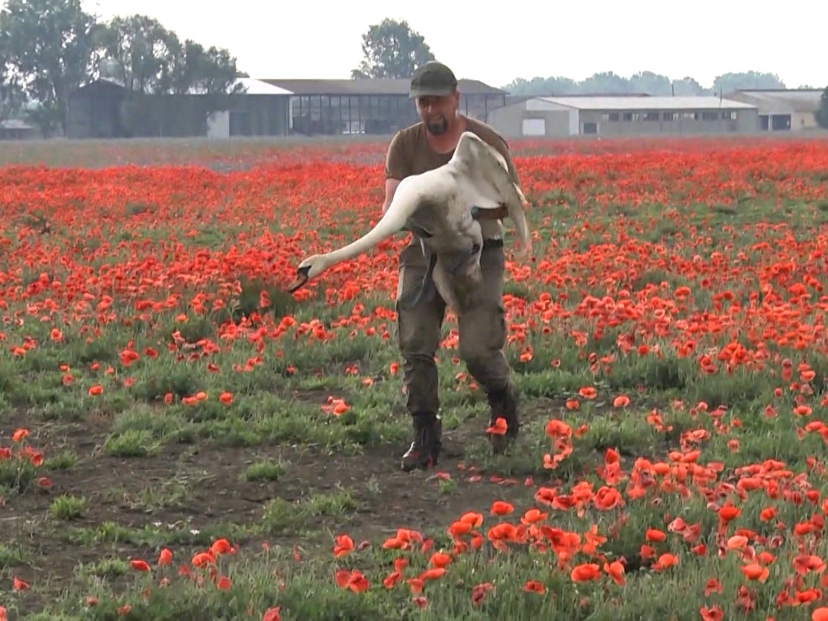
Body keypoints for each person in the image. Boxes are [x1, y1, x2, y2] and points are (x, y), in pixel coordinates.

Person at [383, 60, 524, 472]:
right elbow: (392, 207)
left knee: (478, 349)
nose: (430, 111)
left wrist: (463, 211)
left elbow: (510, 200)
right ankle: (425, 434)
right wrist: (429, 217)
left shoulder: (485, 141)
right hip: (424, 251)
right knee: (415, 343)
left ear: (456, 98)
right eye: (422, 103)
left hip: (478, 252)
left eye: (437, 102)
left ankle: (502, 403)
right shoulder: (405, 146)